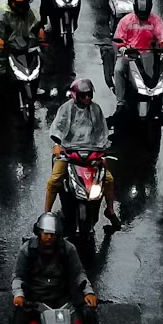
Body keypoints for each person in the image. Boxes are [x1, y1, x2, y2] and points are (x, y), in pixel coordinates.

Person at [0, 212, 98, 324]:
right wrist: (19, 295)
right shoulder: (27, 249)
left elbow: (79, 274)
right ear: (39, 232)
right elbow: (18, 277)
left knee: (84, 323)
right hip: (34, 301)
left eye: (53, 234)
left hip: (62, 299)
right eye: (46, 233)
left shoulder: (68, 249)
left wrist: (88, 292)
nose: (49, 237)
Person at [44, 77, 120, 227]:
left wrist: (104, 147)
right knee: (54, 181)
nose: (87, 98)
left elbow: (102, 132)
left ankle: (110, 210)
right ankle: (47, 215)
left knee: (109, 179)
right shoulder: (66, 109)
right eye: (83, 95)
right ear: (75, 95)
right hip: (69, 152)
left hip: (92, 153)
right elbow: (58, 128)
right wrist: (58, 145)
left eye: (89, 95)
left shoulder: (96, 109)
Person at [110, 0, 163, 114]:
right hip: (129, 55)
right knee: (118, 69)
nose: (143, 17)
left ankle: (159, 106)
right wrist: (122, 47)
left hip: (150, 56)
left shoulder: (155, 20)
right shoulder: (126, 21)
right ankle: (120, 102)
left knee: (162, 76)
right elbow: (119, 38)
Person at [0, 0, 44, 109]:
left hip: (26, 45)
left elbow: (37, 24)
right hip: (8, 47)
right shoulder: (4, 14)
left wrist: (40, 31)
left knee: (39, 62)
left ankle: (35, 91)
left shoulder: (30, 13)